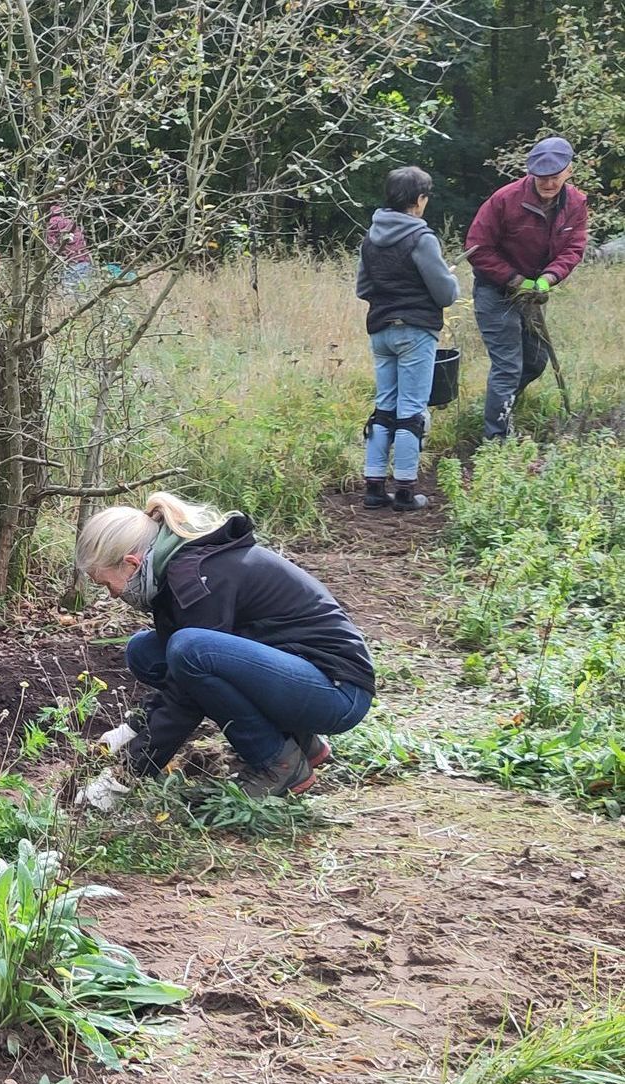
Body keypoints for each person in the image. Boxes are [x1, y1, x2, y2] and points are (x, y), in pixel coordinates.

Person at [74, 493, 376, 800]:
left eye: (105, 584)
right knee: (146, 652)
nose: (111, 595)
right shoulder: (174, 570)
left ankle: (278, 762)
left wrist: (126, 775)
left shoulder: (196, 580)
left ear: (131, 564)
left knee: (190, 652)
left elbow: (185, 696)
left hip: (337, 692)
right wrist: (135, 727)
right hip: (301, 674)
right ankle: (299, 743)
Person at [465, 136, 589, 440]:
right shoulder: (504, 199)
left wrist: (549, 278)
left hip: (534, 292)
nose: (548, 183)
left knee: (535, 361)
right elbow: (476, 249)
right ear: (531, 173)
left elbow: (573, 248)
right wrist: (514, 280)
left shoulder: (576, 203)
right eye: (541, 176)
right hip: (496, 290)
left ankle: (499, 407)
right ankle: (496, 440)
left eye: (554, 176)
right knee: (508, 366)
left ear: (569, 171)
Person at [355, 166, 460, 512]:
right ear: (419, 200)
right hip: (415, 331)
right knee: (411, 411)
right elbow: (445, 294)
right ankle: (403, 490)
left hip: (380, 330)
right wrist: (449, 278)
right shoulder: (422, 238)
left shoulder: (370, 238)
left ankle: (373, 486)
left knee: (385, 406)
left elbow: (363, 289)